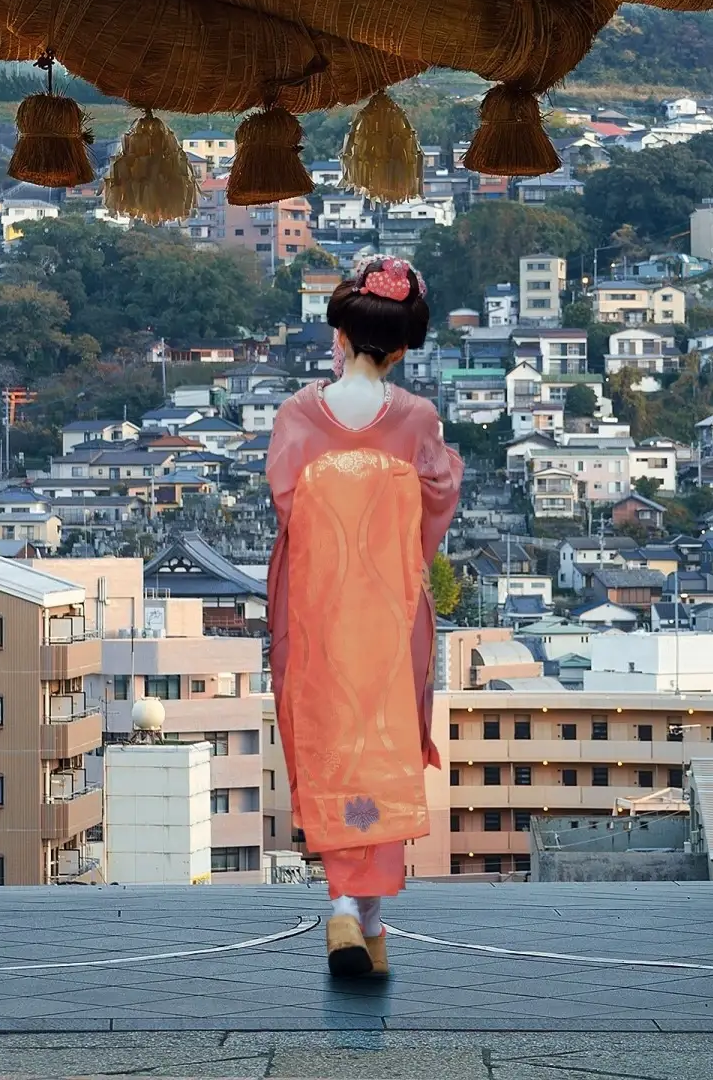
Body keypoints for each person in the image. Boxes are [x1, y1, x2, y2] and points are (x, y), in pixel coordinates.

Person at [267, 255, 463, 980]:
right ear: (404, 349)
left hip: (317, 610)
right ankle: (360, 913)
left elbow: (290, 501)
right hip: (389, 611)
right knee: (383, 742)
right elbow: (437, 496)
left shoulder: (296, 416)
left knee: (328, 742)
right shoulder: (416, 418)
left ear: (337, 337)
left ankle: (356, 913)